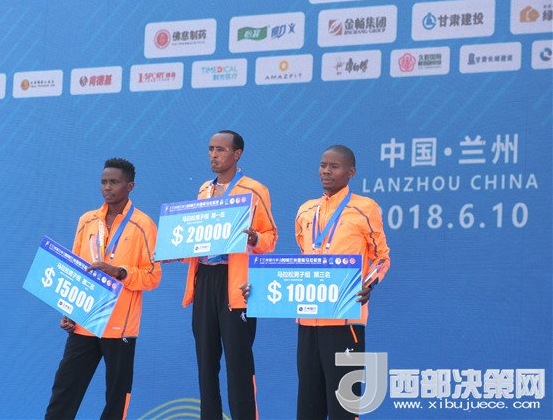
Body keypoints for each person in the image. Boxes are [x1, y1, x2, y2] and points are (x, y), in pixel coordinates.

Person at [242, 145, 390, 420]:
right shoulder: (305, 211)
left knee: (345, 406)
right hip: (308, 322)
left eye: (334, 166)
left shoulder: (365, 208)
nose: (326, 171)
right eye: (323, 165)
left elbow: (382, 257)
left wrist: (369, 283)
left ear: (351, 172)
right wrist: (259, 287)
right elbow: (301, 264)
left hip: (345, 321)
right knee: (309, 404)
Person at [45, 158, 162, 420]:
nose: (107, 187)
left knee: (116, 398)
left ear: (130, 186)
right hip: (85, 321)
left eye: (114, 182)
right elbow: (75, 269)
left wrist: (120, 272)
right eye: (104, 182)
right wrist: (68, 310)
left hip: (120, 326)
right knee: (64, 389)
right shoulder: (87, 220)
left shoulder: (143, 225)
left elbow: (153, 275)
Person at [181, 130, 278, 420]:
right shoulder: (204, 190)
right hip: (204, 279)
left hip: (236, 284)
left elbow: (270, 238)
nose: (213, 155)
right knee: (206, 364)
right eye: (211, 149)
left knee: (238, 365)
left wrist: (254, 238)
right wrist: (179, 248)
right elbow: (197, 238)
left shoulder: (254, 190)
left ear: (237, 154)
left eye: (220, 149)